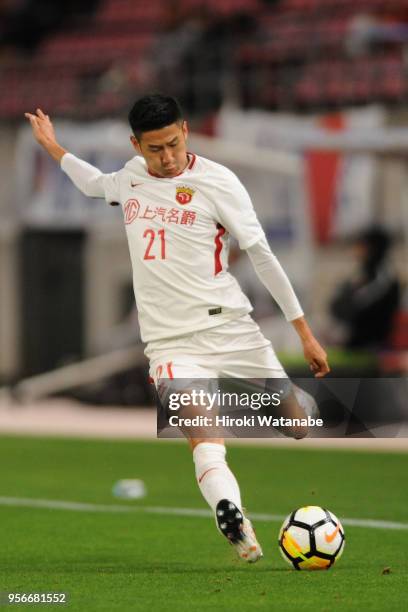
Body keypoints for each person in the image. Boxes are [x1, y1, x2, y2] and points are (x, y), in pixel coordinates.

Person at [25, 95, 329, 563]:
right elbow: (92, 184)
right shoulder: (129, 178)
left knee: (298, 424)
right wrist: (54, 147)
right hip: (169, 343)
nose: (166, 158)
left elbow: (264, 258)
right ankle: (233, 516)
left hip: (231, 329)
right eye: (154, 149)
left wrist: (304, 332)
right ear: (136, 145)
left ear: (185, 130)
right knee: (204, 440)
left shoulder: (218, 182)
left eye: (172, 144)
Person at [330, 226, 400, 350]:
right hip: (356, 346)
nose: (356, 251)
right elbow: (336, 308)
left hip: (374, 349)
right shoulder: (363, 275)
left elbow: (356, 311)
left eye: (361, 246)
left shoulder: (384, 280)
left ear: (373, 249)